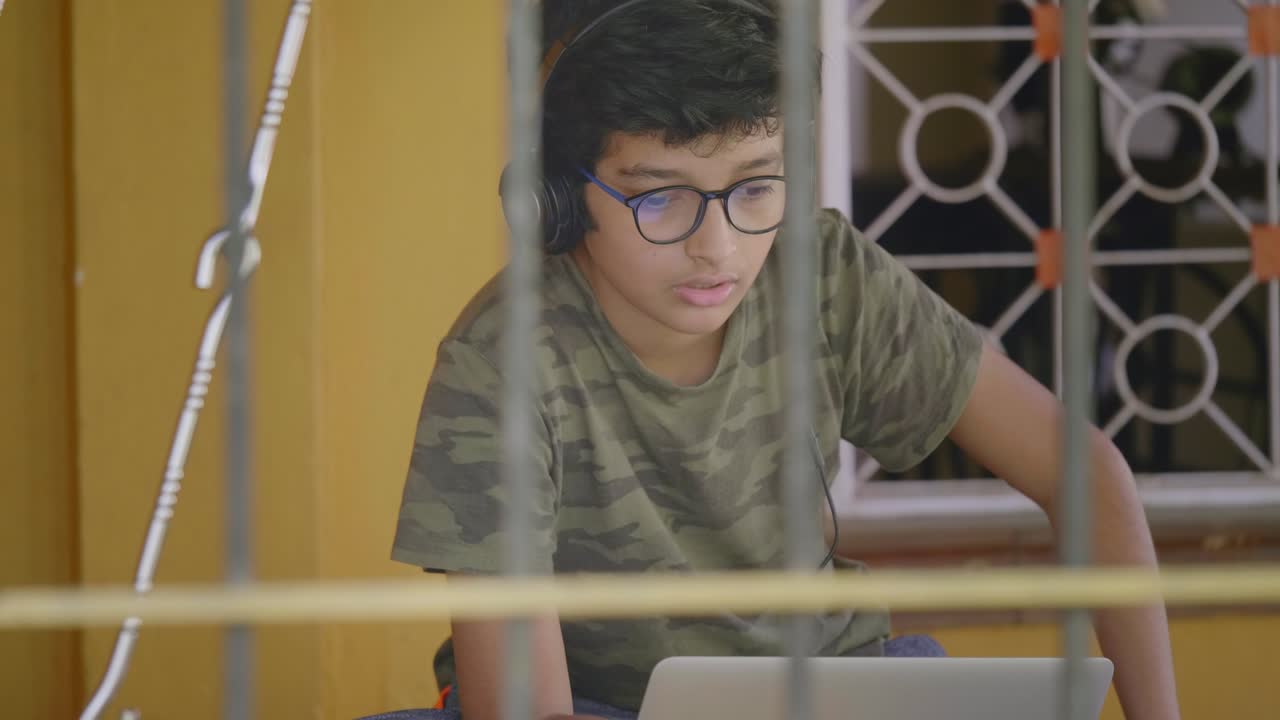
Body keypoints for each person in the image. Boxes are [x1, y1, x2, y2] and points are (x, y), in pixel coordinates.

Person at [390, 2, 1180, 719]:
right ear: (557, 198)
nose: (719, 249)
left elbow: (1087, 473)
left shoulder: (823, 273)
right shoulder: (500, 365)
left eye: (756, 189)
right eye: (661, 197)